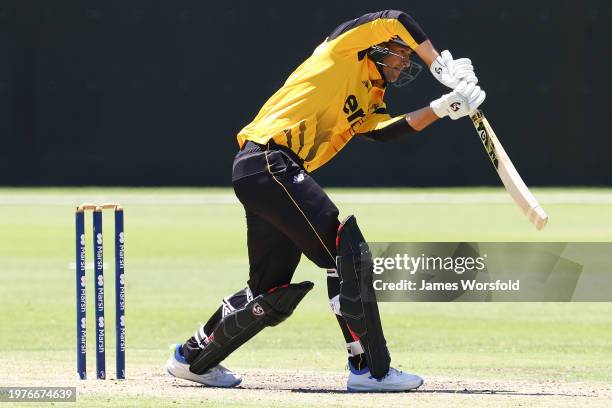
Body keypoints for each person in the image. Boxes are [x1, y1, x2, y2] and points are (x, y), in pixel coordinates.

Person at [166, 9, 484, 392]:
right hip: (270, 160)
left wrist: (443, 108)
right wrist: (439, 65)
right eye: (402, 54)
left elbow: (381, 131)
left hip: (263, 171)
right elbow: (395, 16)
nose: (405, 64)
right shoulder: (342, 50)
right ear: (380, 47)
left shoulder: (372, 94)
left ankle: (192, 358)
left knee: (269, 287)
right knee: (346, 252)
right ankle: (370, 369)